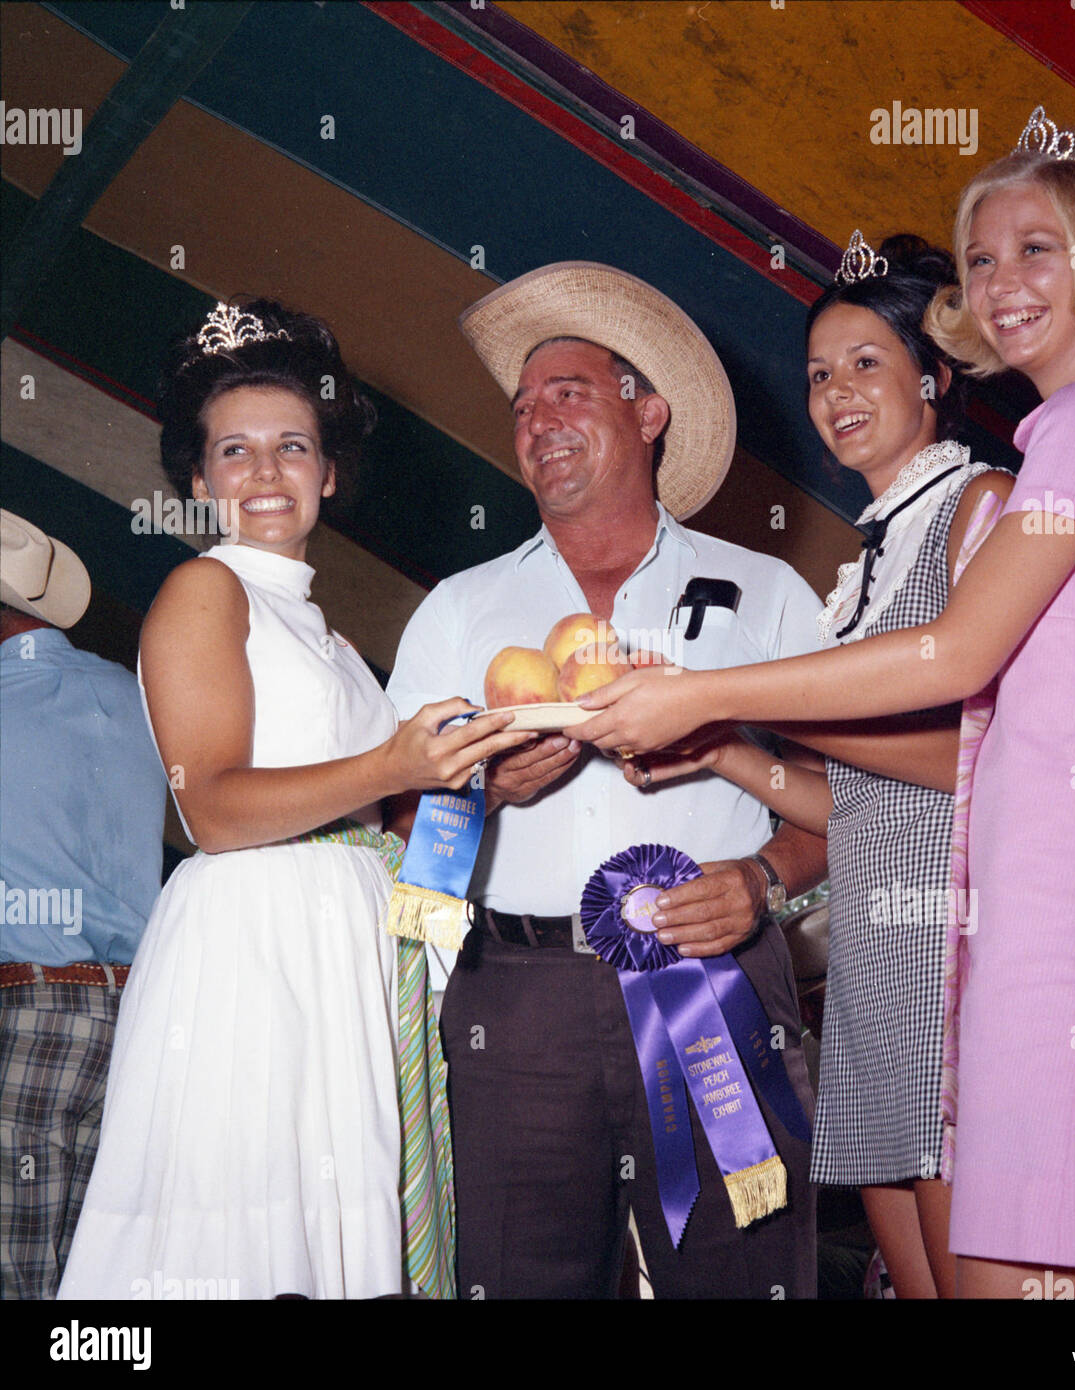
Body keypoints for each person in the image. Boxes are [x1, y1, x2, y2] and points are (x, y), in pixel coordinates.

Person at [574, 114, 1075, 1296]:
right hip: (1068, 908)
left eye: (1038, 249)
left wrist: (702, 690)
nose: (1001, 284)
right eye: (982, 260)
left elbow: (950, 653)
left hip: (1071, 920)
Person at [57, 300, 528, 1300]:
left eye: (291, 447)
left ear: (328, 471)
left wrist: (472, 784)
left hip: (343, 948)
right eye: (235, 450)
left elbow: (372, 805)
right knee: (247, 1232)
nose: (265, 473)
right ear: (198, 479)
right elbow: (214, 811)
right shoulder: (205, 591)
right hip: (255, 946)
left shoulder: (335, 637)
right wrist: (396, 767)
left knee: (332, 1232)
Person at [388, 261, 827, 1299]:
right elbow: (401, 819)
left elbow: (844, 799)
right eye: (522, 406)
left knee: (743, 1269)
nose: (536, 420)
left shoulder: (767, 591)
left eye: (568, 392)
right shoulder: (458, 605)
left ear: (649, 412)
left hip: (713, 972)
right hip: (516, 998)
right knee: (517, 1275)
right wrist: (482, 793)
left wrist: (763, 881)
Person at [631, 233, 1013, 1297]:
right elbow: (861, 804)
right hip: (877, 965)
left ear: (935, 378)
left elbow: (987, 762)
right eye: (817, 374)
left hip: (961, 949)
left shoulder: (984, 508)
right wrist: (722, 750)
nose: (835, 393)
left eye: (865, 364)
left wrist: (729, 690)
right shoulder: (863, 569)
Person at [0, 512, 166, 1299]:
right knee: (100, 1276)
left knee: (15, 1267)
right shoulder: (133, 693)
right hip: (140, 1012)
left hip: (24, 1010)